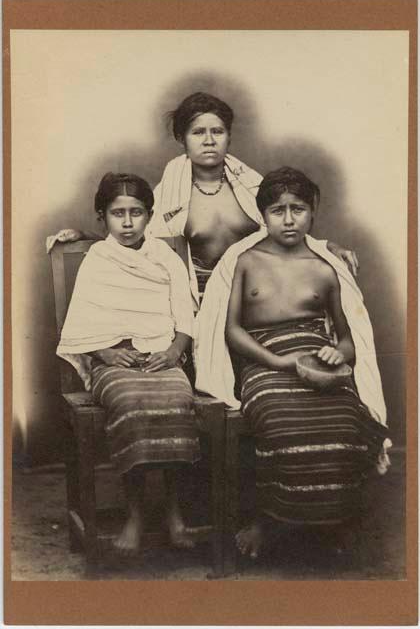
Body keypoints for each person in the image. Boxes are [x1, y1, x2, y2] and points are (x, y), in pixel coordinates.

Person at [199, 166, 390, 559]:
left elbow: (347, 338)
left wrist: (338, 354)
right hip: (263, 361)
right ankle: (269, 521)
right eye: (277, 211)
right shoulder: (245, 261)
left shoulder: (324, 268)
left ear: (312, 212)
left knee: (346, 417)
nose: (288, 219)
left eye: (298, 209)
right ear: (262, 215)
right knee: (278, 415)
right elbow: (231, 330)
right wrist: (278, 362)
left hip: (317, 360)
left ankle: (334, 520)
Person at [48, 92, 358, 308]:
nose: (209, 140)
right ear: (182, 138)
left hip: (258, 295)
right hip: (198, 301)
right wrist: (84, 236)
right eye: (198, 132)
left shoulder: (252, 186)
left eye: (218, 131)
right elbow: (134, 238)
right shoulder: (171, 192)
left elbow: (289, 227)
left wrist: (330, 247)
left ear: (228, 136)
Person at [57, 172, 200, 555]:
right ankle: (135, 513)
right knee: (132, 404)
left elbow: (184, 316)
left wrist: (174, 351)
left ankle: (172, 511)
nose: (127, 222)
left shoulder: (164, 257)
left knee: (177, 401)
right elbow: (83, 321)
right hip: (113, 361)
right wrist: (105, 352)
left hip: (161, 358)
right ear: (103, 216)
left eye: (136, 213)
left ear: (149, 216)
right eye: (117, 213)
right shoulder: (97, 260)